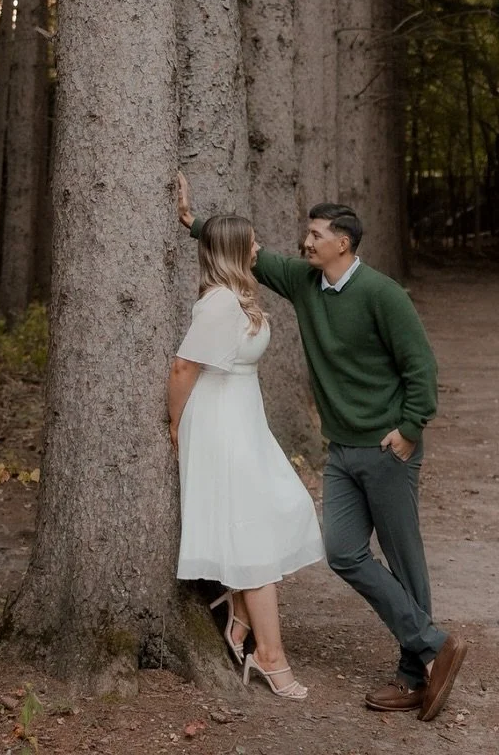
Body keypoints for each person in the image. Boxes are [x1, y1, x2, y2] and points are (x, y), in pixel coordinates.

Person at [176, 174, 468, 723]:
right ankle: (434, 644)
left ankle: (415, 674)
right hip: (341, 452)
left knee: (405, 560)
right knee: (343, 552)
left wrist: (410, 428)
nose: (304, 242)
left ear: (343, 242)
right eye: (306, 234)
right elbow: (246, 253)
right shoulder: (305, 283)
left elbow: (420, 367)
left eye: (315, 234)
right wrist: (194, 223)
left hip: (388, 449)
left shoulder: (382, 294)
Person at [168, 212, 325, 700]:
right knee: (254, 534)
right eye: (253, 244)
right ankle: (270, 656)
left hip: (245, 421)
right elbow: (182, 367)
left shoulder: (236, 295)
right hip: (220, 426)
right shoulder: (218, 303)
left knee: (280, 509)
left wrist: (192, 216)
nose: (259, 249)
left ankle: (238, 612)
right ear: (236, 251)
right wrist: (176, 425)